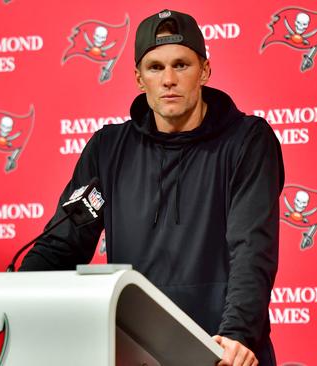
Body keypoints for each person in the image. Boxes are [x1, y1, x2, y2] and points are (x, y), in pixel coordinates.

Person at [20, 9, 283, 366]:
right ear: (139, 78)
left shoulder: (247, 140)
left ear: (204, 70)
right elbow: (62, 244)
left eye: (181, 65)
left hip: (222, 352)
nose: (169, 79)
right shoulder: (109, 149)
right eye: (155, 67)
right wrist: (16, 300)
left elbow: (252, 247)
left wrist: (238, 335)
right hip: (136, 353)